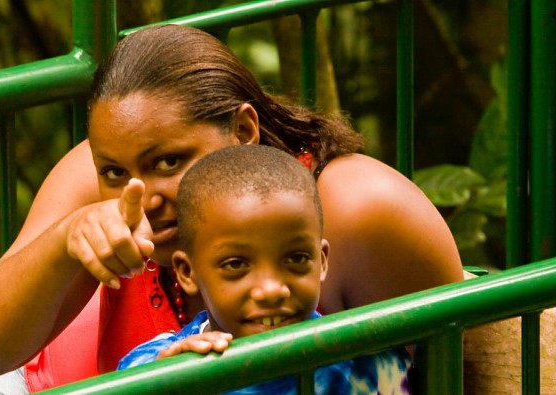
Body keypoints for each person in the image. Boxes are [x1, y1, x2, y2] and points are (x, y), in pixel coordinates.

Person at [0, 23, 463, 390]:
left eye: (170, 162)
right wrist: (66, 242)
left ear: (243, 132)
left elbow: (458, 366)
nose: (142, 196)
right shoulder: (109, 175)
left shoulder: (360, 208)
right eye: (114, 171)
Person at [117, 144, 411, 394]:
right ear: (187, 272)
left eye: (295, 259)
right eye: (235, 265)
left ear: (321, 260)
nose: (271, 290)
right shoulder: (157, 365)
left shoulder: (361, 364)